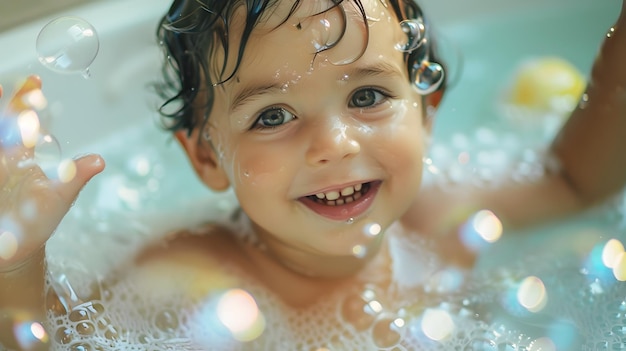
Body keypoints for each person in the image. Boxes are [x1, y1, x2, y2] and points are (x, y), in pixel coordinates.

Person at [1, 0, 625, 348]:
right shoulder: (185, 278)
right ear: (209, 158)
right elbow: (52, 341)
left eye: (367, 97)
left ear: (426, 110)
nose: (333, 144)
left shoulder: (439, 220)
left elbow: (577, 181)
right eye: (273, 114)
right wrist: (18, 255)